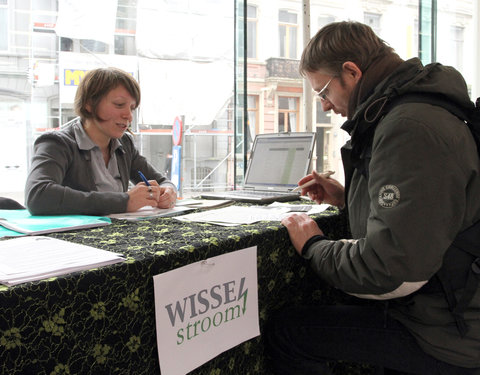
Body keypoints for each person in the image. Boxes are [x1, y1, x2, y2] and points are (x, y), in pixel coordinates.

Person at [266, 21, 480, 375]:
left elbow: (390, 271)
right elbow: (427, 206)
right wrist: (348, 197)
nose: (324, 106)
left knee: (289, 331)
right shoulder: (417, 108)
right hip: (449, 302)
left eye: (323, 92)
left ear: (351, 72)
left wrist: (313, 246)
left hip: (447, 330)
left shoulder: (408, 126)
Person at [25, 67, 177, 216]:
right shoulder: (57, 143)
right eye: (119, 104)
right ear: (89, 104)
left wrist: (169, 191)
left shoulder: (124, 144)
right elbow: (37, 195)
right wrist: (124, 201)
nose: (128, 116)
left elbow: (161, 181)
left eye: (132, 108)